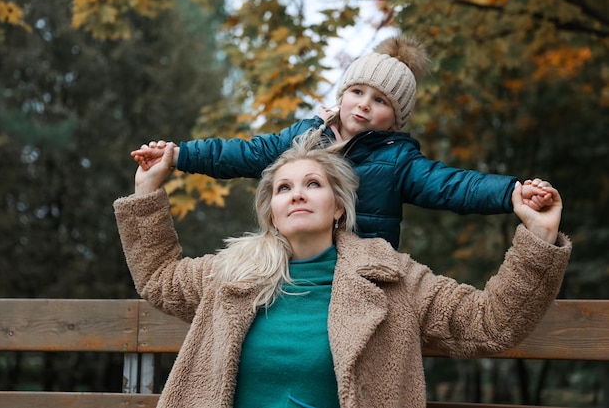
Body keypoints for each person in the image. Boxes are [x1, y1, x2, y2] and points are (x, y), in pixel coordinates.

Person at [114, 130, 571, 408]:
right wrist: (146, 192)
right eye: (284, 188)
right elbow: (158, 277)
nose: (296, 194)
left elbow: (489, 324)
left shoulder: (389, 276)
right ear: (271, 211)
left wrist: (538, 238)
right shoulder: (232, 273)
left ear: (338, 209)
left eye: (313, 184)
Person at [130, 32, 553, 250]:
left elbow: (454, 186)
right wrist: (180, 153)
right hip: (300, 262)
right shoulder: (304, 136)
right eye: (357, 92)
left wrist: (512, 192)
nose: (364, 105)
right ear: (342, 94)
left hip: (361, 274)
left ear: (396, 118)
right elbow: (244, 153)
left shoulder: (398, 160)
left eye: (380, 100)